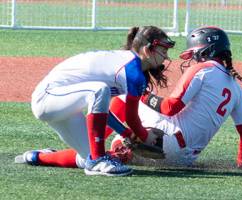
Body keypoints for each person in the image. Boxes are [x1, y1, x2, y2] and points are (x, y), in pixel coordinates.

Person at [14, 25, 175, 176]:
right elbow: (132, 118)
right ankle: (98, 160)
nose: (166, 57)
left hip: (63, 106)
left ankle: (36, 157)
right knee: (99, 90)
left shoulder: (129, 65)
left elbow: (103, 110)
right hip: (47, 98)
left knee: (86, 158)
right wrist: (143, 135)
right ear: (147, 50)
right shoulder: (132, 70)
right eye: (163, 51)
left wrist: (127, 134)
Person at [110, 26, 242, 168]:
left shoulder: (202, 70)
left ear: (204, 51)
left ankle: (115, 151)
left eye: (194, 53)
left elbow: (169, 108)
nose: (193, 58)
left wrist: (142, 94)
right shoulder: (237, 88)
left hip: (164, 143)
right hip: (185, 160)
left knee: (124, 95)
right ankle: (124, 152)